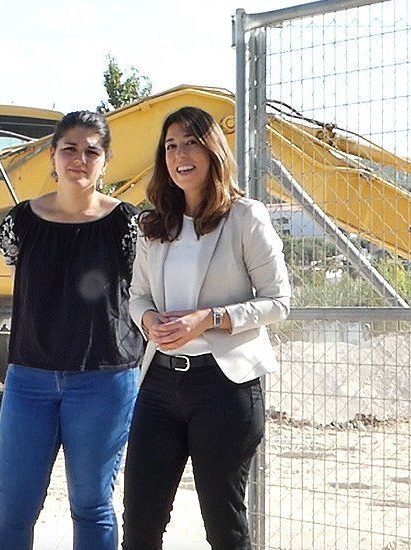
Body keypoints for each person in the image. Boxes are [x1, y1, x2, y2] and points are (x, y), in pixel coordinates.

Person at [121, 106, 291, 550]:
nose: (180, 153)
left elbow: (278, 302)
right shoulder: (152, 223)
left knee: (224, 527)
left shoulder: (245, 217)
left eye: (190, 141)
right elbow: (137, 295)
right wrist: (148, 319)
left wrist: (211, 319)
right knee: (139, 524)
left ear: (212, 149)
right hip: (158, 387)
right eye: (171, 145)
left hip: (224, 388)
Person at [0, 110, 142, 550]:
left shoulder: (128, 225)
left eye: (92, 151)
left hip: (105, 381)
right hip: (29, 380)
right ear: (52, 156)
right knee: (13, 508)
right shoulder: (21, 222)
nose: (80, 159)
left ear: (106, 162)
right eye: (69, 149)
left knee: (91, 505)